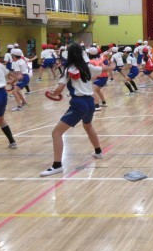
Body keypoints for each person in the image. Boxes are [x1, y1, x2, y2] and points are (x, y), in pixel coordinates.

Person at [40, 43, 114, 176]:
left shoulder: (68, 69)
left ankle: (57, 165)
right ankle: (98, 152)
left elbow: (59, 90)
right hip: (90, 102)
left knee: (56, 133)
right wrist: (113, 63)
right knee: (88, 126)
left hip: (78, 104)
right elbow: (107, 69)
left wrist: (53, 94)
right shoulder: (89, 67)